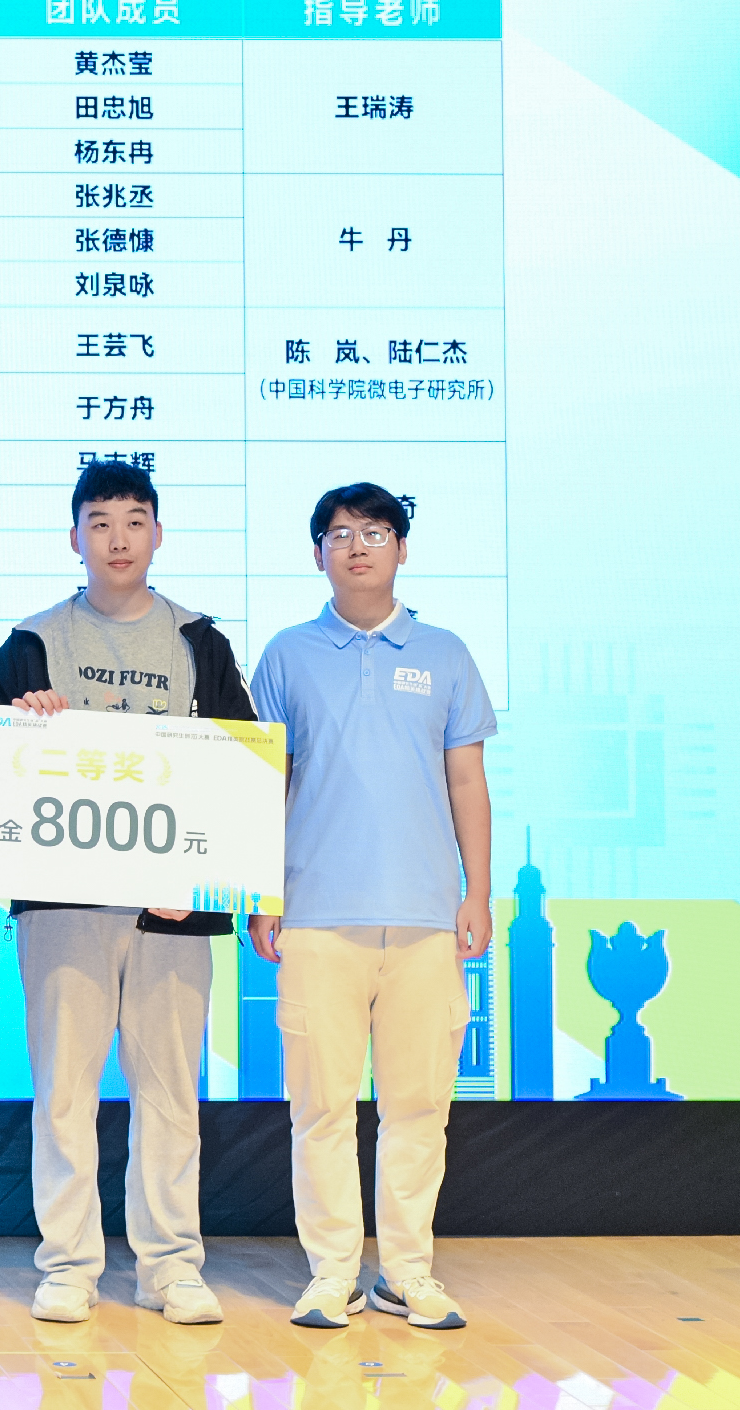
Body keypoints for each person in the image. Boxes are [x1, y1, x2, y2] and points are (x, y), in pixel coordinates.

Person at [0, 460, 251, 1327]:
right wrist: (21, 724)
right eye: (100, 522)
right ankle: (68, 1264)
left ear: (158, 534)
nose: (118, 538)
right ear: (75, 537)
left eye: (135, 520)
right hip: (65, 907)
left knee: (170, 1094)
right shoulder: (29, 644)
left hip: (175, 908)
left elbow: (242, 768)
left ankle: (170, 1266)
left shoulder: (201, 641)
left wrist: (206, 877)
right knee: (65, 1093)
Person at [246, 482, 495, 1333]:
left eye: (377, 531)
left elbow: (467, 780)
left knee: (419, 1106)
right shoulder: (286, 654)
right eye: (342, 533)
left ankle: (408, 1271)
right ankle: (331, 1273)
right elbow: (266, 781)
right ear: (317, 551)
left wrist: (477, 891)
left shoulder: (445, 652)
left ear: (402, 547)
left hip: (426, 918)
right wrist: (262, 892)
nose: (359, 546)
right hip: (316, 915)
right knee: (319, 1107)